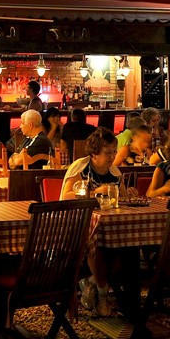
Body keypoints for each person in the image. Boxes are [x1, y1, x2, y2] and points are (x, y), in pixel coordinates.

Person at [61, 128, 122, 316]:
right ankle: (103, 295)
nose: (112, 156)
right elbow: (66, 195)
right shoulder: (81, 168)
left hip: (108, 224)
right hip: (76, 223)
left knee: (126, 248)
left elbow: (122, 198)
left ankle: (91, 282)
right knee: (97, 245)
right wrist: (96, 192)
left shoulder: (114, 172)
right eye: (108, 152)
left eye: (114, 151)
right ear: (94, 153)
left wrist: (129, 193)